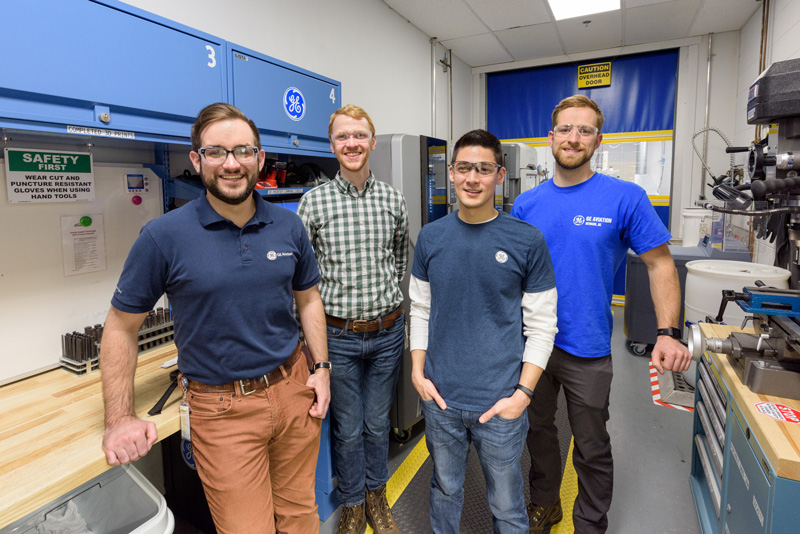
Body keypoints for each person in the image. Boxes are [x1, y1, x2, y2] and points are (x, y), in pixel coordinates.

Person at [100, 102, 330, 534]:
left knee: (301, 517)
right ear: (196, 160)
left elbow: (309, 299)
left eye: (243, 151)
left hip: (293, 391)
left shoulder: (289, 226)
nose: (231, 163)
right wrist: (119, 418)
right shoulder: (163, 236)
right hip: (222, 410)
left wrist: (320, 368)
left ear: (260, 159)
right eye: (216, 152)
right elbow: (120, 326)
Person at [511, 94, 692, 534]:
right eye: (565, 129)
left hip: (587, 347)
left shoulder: (624, 197)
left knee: (591, 444)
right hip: (532, 344)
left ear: (598, 139)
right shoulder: (525, 205)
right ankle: (544, 502)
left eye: (584, 130)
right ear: (550, 137)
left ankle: (590, 523)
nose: (573, 138)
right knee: (538, 433)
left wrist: (667, 332)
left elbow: (660, 263)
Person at [409, 129, 559, 534]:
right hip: (441, 402)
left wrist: (522, 395)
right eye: (463, 168)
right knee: (444, 490)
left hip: (501, 403)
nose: (472, 178)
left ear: (499, 175)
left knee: (508, 506)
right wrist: (418, 374)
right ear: (451, 175)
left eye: (483, 169)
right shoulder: (430, 237)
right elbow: (420, 310)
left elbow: (543, 326)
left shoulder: (526, 240)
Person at [297, 104, 408, 534]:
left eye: (359, 135)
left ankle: (376, 498)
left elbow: (398, 261)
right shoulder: (313, 203)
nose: (352, 144)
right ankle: (353, 505)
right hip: (337, 338)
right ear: (333, 146)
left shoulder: (393, 199)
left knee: (377, 425)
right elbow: (301, 280)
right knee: (346, 429)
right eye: (343, 137)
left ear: (372, 141)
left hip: (386, 334)